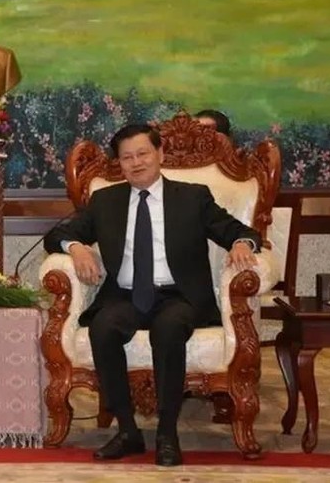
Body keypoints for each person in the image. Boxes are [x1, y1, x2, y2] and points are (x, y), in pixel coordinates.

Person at [43, 124, 260, 466]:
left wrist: (241, 245)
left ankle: (167, 433)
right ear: (120, 164)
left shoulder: (192, 196)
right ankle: (127, 431)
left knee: (169, 328)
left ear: (159, 155)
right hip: (126, 296)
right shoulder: (105, 200)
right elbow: (57, 234)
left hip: (179, 296)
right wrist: (77, 247)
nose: (136, 163)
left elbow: (238, 231)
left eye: (142, 154)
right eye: (127, 157)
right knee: (104, 327)